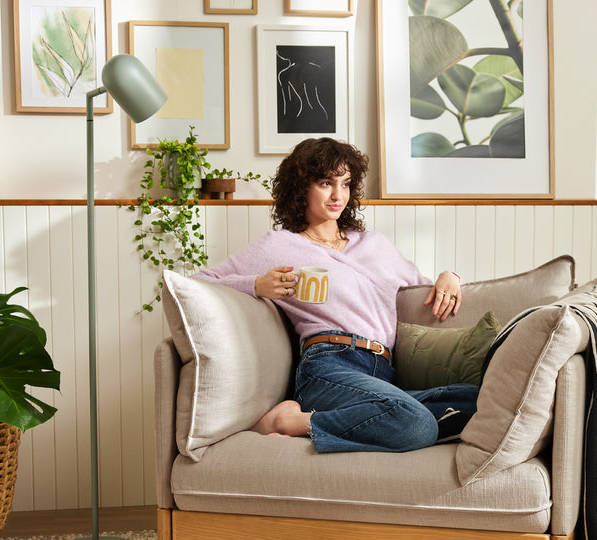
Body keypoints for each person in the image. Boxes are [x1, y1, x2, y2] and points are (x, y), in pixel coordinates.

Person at [193, 137, 479, 453]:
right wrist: (257, 285)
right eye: (326, 183)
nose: (337, 195)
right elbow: (199, 281)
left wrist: (449, 276)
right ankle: (290, 422)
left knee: (480, 399)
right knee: (417, 424)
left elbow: (422, 286)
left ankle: (389, 415)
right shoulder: (278, 246)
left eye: (345, 184)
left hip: (382, 371)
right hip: (328, 364)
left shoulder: (374, 244)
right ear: (301, 187)